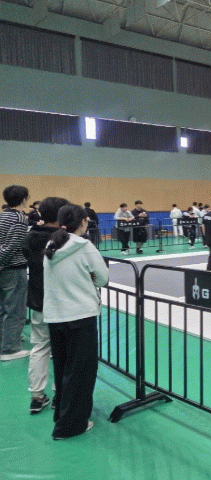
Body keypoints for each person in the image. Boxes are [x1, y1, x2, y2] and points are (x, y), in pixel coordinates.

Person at [44, 204, 109, 439]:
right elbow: (103, 278)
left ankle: (62, 414)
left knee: (63, 368)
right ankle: (71, 425)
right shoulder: (85, 247)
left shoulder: (52, 244)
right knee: (81, 371)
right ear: (83, 222)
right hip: (80, 316)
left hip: (56, 316)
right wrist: (88, 276)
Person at [22, 197, 69, 413]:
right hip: (63, 303)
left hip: (39, 300)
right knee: (65, 350)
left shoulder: (31, 236)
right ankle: (61, 393)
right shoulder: (66, 239)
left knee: (40, 347)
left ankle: (37, 396)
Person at [0, 185, 31, 361]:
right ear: (24, 199)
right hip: (13, 268)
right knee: (15, 309)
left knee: (3, 307)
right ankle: (10, 349)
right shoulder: (20, 218)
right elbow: (12, 246)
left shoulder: (2, 215)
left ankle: (4, 341)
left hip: (5, 268)